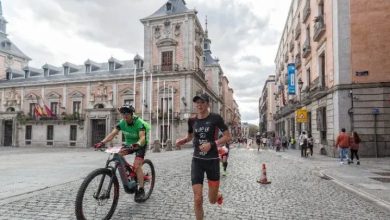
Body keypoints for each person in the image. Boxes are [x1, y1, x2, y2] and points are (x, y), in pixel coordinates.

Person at [176, 93, 231, 220]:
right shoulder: (192, 120)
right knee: (197, 198)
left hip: (212, 161)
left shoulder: (215, 118)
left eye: (202, 102)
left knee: (211, 200)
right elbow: (190, 137)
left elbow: (228, 137)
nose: (199, 105)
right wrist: (182, 141)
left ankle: (217, 195)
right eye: (197, 102)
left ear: (208, 104)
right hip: (197, 162)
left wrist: (212, 144)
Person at [94, 105, 150, 202]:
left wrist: (137, 144)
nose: (124, 115)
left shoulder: (139, 123)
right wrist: (102, 142)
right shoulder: (121, 123)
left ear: (131, 114)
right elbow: (112, 134)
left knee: (137, 166)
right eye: (122, 113)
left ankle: (141, 190)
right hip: (129, 144)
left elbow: (142, 138)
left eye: (127, 113)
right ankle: (129, 173)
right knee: (118, 155)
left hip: (140, 145)